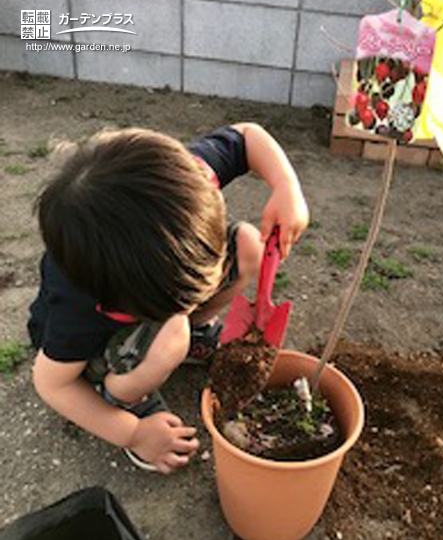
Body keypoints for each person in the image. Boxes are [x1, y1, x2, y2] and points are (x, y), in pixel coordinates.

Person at [28, 123, 309, 474]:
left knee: (248, 244)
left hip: (146, 301)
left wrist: (287, 186)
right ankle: (126, 396)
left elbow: (248, 136)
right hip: (92, 356)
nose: (196, 301)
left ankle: (192, 335)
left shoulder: (183, 180)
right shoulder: (79, 302)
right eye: (186, 300)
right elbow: (53, 384)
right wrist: (133, 433)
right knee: (173, 334)